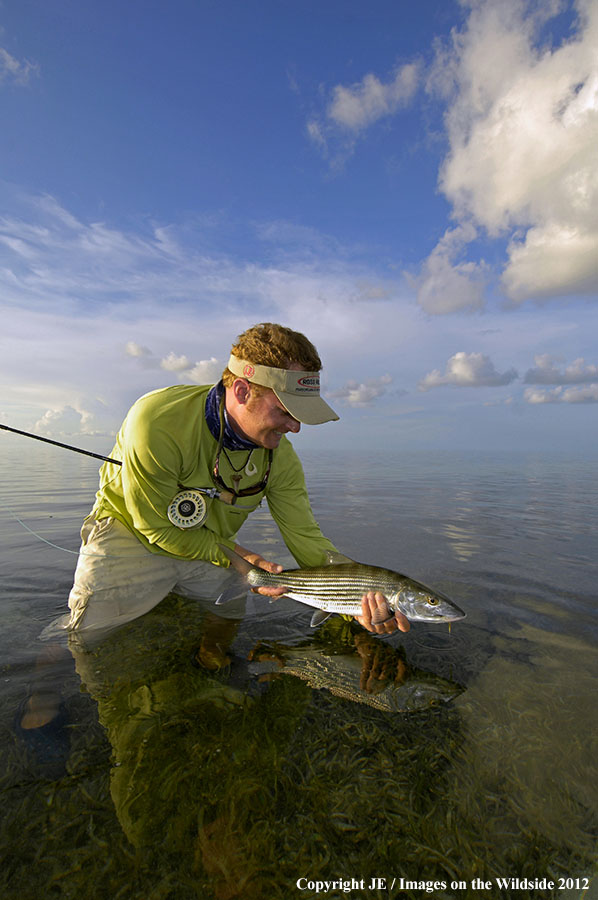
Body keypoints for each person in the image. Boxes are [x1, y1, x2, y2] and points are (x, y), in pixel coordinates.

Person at [61, 322, 409, 651]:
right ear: (243, 390)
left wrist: (360, 599)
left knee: (229, 610)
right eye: (287, 410)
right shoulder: (157, 420)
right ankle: (40, 688)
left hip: (214, 545)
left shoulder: (281, 459)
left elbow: (308, 540)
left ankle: (212, 658)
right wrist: (247, 558)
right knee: (85, 634)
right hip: (129, 532)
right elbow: (154, 527)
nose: (296, 427)